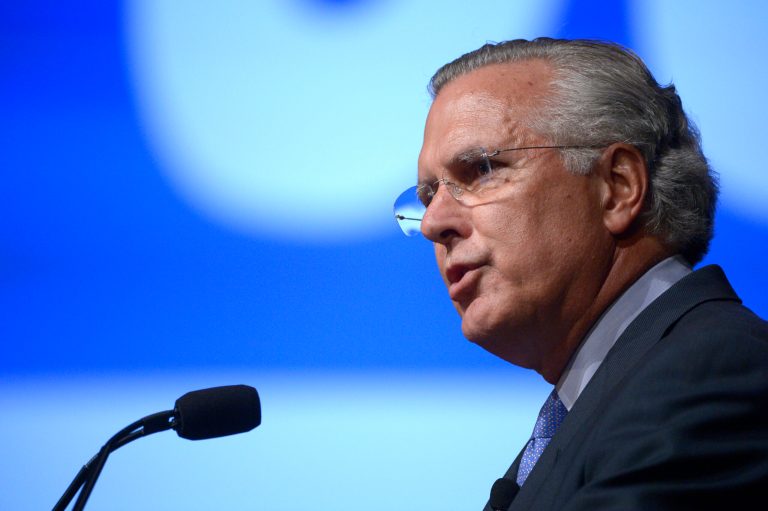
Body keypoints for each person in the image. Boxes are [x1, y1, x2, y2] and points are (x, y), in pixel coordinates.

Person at [393, 38, 768, 510]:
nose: (433, 223)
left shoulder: (712, 372)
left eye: (482, 169)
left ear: (618, 187)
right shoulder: (593, 404)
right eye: (429, 195)